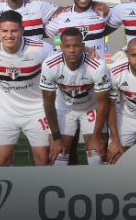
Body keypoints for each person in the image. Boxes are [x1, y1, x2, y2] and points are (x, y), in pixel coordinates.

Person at [0, 9, 55, 167]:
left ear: (22, 30)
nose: (9, 36)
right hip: (6, 112)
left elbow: (62, 60)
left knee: (43, 161)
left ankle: (40, 191)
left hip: (36, 111)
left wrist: (85, 49)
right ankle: (10, 191)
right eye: (4, 31)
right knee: (2, 160)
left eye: (14, 31)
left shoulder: (41, 49)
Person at [41, 28, 113, 166]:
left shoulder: (98, 66)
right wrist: (56, 138)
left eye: (76, 45)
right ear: (61, 47)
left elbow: (104, 103)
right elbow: (48, 103)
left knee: (97, 158)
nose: (72, 50)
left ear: (83, 46)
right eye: (67, 46)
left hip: (91, 109)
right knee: (58, 160)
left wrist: (96, 137)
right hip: (64, 109)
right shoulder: (50, 66)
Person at [45, 0, 111, 57]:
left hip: (97, 68)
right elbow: (40, 35)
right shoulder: (61, 16)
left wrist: (96, 3)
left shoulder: (103, 11)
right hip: (71, 68)